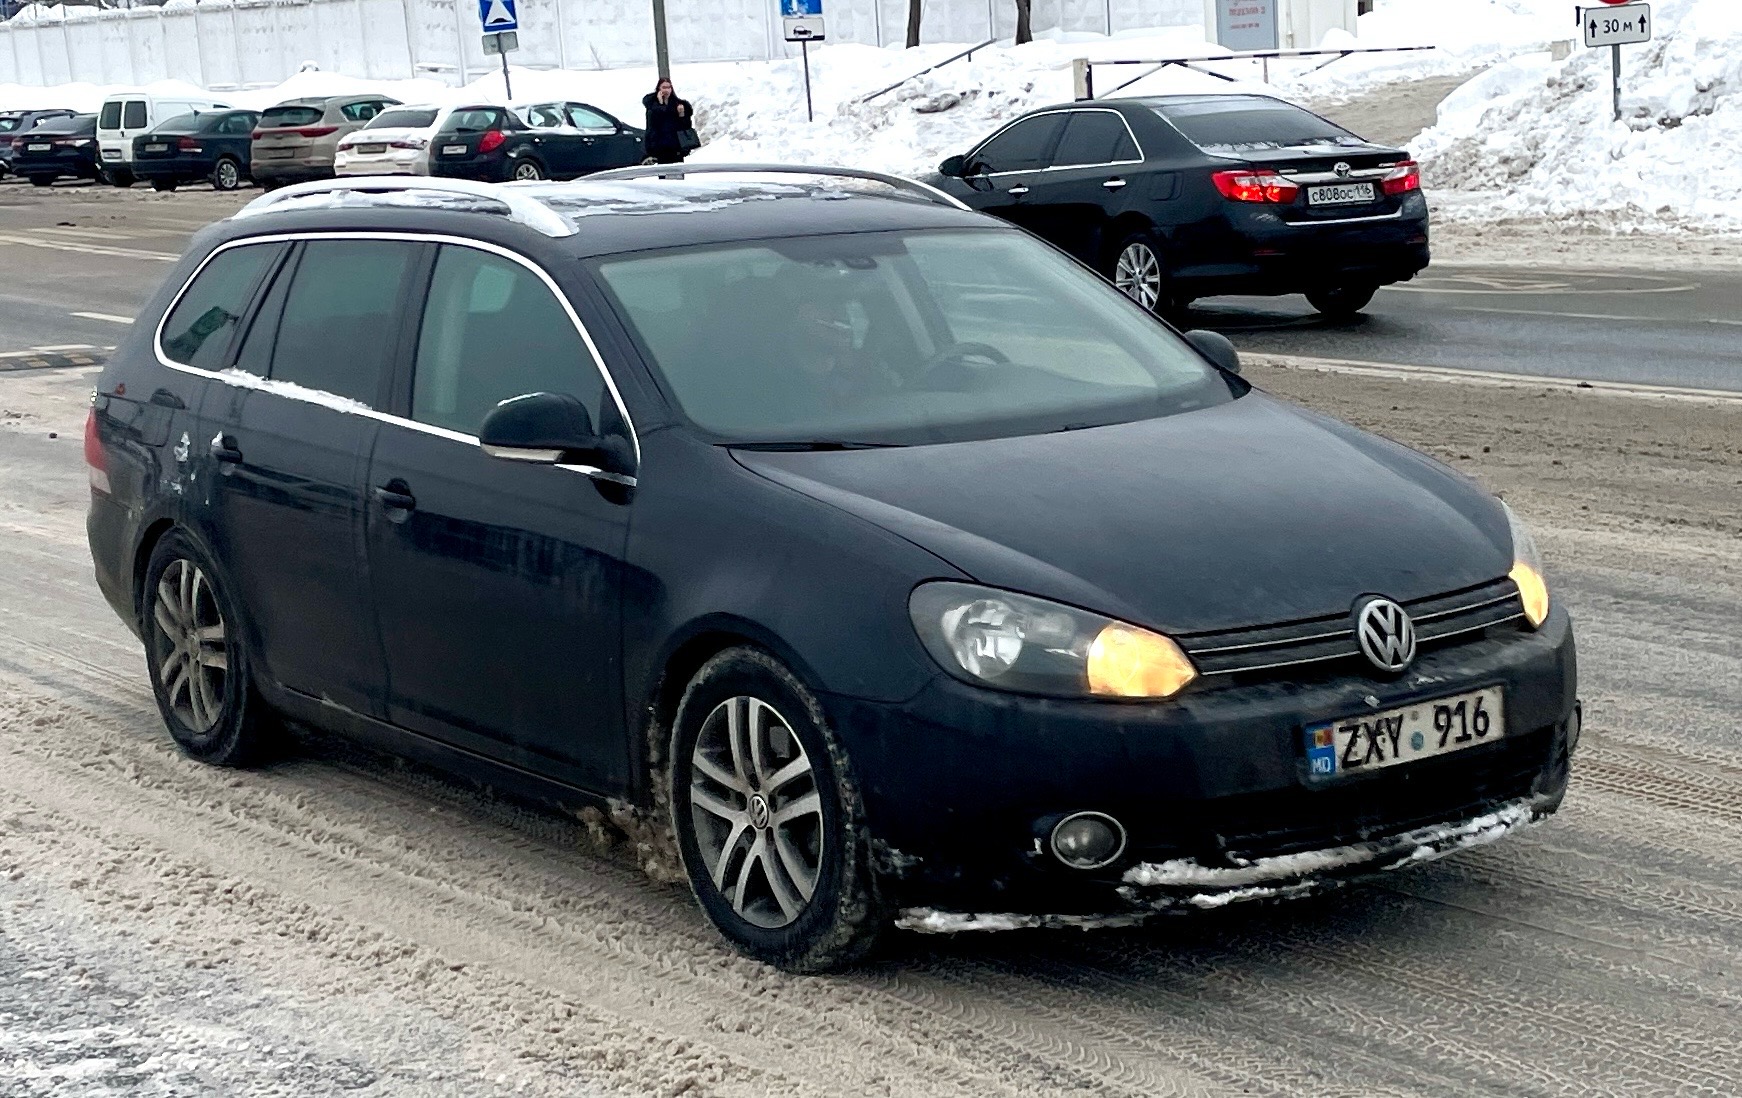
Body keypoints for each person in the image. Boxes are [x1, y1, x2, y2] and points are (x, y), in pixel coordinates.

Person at [642, 78, 695, 165]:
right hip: (660, 146)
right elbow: (653, 124)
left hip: (676, 146)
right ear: (659, 89)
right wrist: (660, 103)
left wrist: (682, 114)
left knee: (678, 172)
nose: (666, 90)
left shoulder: (678, 104)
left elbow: (686, 125)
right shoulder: (652, 105)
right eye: (663, 87)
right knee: (663, 172)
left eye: (668, 87)